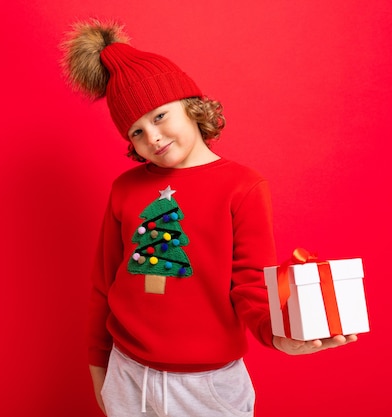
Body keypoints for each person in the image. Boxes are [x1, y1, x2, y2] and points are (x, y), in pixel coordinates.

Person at [60, 19, 357, 417]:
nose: (153, 137)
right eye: (136, 132)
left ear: (189, 104)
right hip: (128, 374)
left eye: (160, 116)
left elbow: (251, 283)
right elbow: (104, 284)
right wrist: (101, 372)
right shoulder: (125, 189)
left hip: (209, 384)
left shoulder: (243, 186)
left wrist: (277, 336)